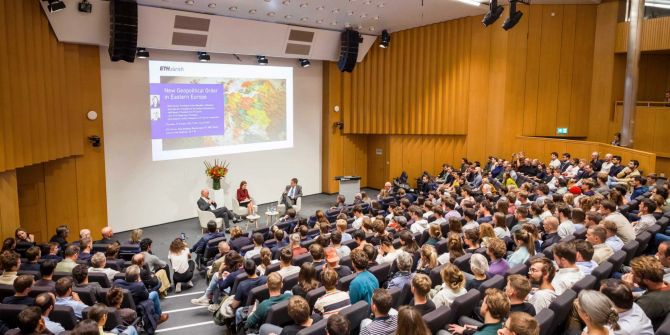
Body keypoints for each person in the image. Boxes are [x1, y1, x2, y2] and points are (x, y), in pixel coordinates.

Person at [621, 256, 670, 330]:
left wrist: (627, 289)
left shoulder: (651, 301)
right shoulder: (665, 285)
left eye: (633, 274)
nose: (630, 276)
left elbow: (628, 317)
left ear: (646, 280)